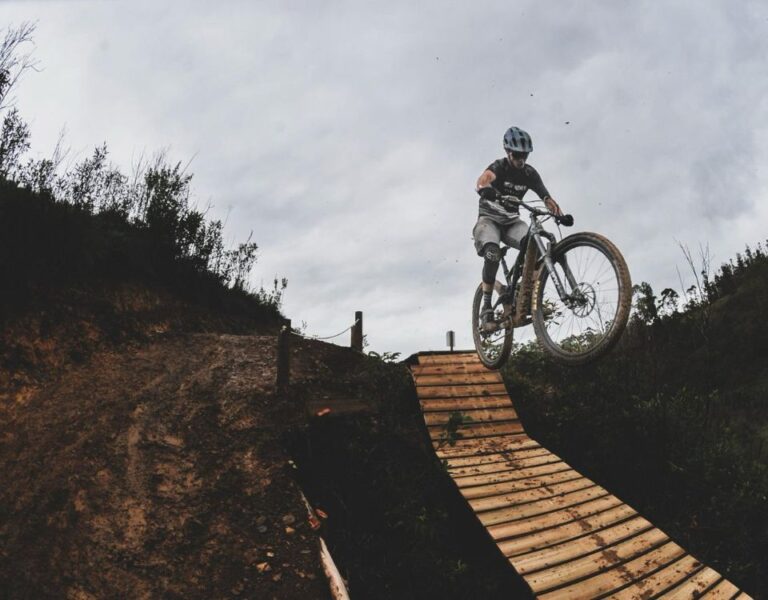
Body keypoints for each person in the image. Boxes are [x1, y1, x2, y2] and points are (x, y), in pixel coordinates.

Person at [473, 126, 562, 325]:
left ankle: (527, 295)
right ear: (508, 152)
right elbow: (482, 180)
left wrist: (558, 213)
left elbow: (546, 196)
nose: (521, 160)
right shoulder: (499, 167)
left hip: (512, 221)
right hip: (489, 220)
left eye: (525, 155)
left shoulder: (529, 174)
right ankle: (487, 306)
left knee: (536, 246)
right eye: (517, 155)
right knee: (492, 253)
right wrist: (484, 189)